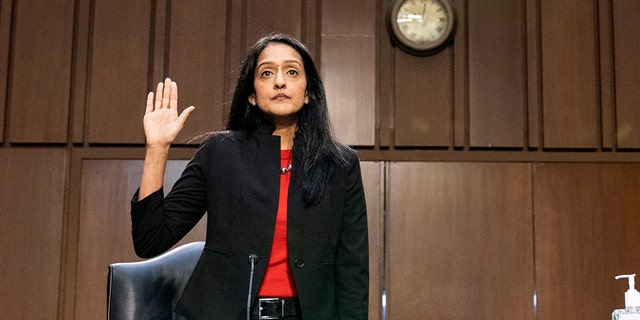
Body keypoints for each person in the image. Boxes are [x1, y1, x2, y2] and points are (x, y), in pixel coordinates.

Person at [130, 33, 369, 320]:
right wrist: (157, 149)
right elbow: (150, 239)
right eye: (266, 73)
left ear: (308, 93)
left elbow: (352, 271)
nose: (279, 81)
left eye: (292, 72)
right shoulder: (220, 153)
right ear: (252, 95)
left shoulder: (341, 164)